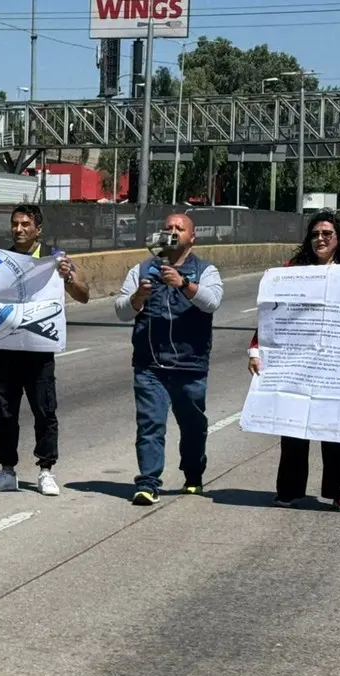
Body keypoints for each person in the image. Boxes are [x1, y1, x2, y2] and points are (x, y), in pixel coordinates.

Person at [0, 205, 90, 496]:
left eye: (26, 224)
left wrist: (68, 276)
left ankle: (46, 470)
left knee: (44, 411)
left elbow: (84, 294)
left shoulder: (54, 259)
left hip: (39, 351)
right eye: (15, 223)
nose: (19, 229)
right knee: (5, 413)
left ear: (38, 229)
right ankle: (7, 470)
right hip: (5, 349)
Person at [247, 211, 340, 512]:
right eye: (315, 234)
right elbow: (273, 315)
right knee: (293, 425)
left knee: (334, 428)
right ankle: (290, 491)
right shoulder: (292, 270)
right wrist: (256, 349)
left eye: (327, 234)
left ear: (337, 238)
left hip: (334, 364)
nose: (320, 239)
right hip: (298, 362)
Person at [114, 213, 224, 505]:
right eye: (168, 228)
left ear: (192, 237)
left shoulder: (205, 270)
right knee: (150, 424)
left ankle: (192, 472)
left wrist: (183, 284)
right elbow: (122, 310)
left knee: (193, 427)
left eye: (180, 228)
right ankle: (148, 482)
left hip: (190, 365)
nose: (173, 232)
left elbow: (212, 302)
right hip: (150, 365)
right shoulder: (143, 269)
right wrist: (138, 297)